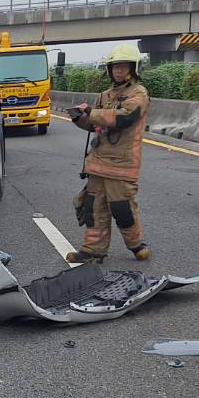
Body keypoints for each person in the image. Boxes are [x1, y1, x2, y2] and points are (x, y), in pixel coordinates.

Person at [66, 42, 152, 263]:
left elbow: (123, 118)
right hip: (98, 163)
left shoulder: (138, 94)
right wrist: (79, 118)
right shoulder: (105, 96)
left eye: (123, 66)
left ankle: (136, 245)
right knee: (93, 209)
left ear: (133, 68)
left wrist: (91, 112)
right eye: (115, 67)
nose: (118, 70)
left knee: (122, 208)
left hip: (121, 165)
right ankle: (93, 250)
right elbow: (93, 126)